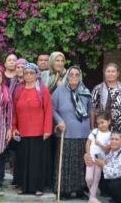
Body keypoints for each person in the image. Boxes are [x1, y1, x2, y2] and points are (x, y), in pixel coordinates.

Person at [13, 62, 53, 196]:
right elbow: (13, 111)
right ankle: (23, 186)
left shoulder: (42, 90)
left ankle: (38, 187)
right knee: (23, 159)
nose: (28, 75)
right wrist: (13, 127)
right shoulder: (18, 89)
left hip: (39, 131)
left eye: (31, 73)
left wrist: (48, 129)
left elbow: (48, 110)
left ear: (37, 74)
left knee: (37, 161)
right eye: (26, 73)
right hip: (22, 131)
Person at [52, 65, 92, 198]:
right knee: (66, 163)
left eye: (77, 74)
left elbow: (91, 110)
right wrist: (59, 121)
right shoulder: (59, 91)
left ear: (80, 77)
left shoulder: (86, 91)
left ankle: (80, 190)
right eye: (71, 74)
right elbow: (52, 109)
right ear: (67, 76)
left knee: (81, 163)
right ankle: (64, 190)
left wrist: (92, 129)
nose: (74, 77)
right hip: (66, 132)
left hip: (83, 132)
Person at [91, 62, 121, 134]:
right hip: (102, 127)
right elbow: (93, 109)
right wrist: (92, 128)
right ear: (104, 73)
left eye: (113, 71)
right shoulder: (98, 88)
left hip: (120, 128)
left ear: (118, 74)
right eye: (108, 71)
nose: (110, 74)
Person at [84, 113, 112, 203]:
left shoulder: (110, 135)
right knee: (89, 178)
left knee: (96, 177)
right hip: (91, 155)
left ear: (109, 122)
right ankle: (91, 192)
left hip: (100, 158)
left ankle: (92, 197)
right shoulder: (95, 131)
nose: (100, 125)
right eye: (98, 123)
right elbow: (88, 143)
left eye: (102, 122)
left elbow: (107, 150)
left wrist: (99, 143)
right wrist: (88, 154)